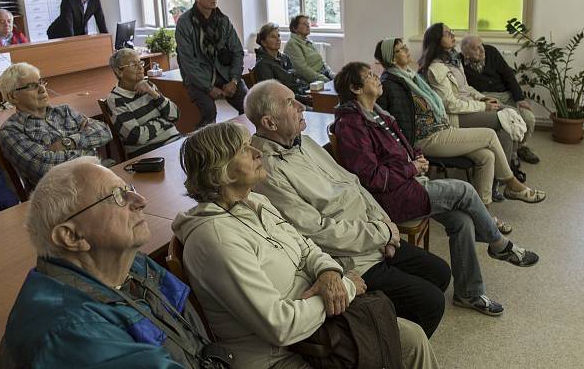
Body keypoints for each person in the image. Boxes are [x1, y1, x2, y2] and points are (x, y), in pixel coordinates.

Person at [173, 122, 438, 368]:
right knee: (402, 342)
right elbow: (280, 326)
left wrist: (329, 274)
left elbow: (307, 247)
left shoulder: (256, 202)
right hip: (280, 355)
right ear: (220, 171)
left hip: (315, 328)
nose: (257, 152)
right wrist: (346, 287)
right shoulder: (215, 239)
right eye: (244, 149)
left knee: (411, 337)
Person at [245, 80, 451, 338]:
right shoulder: (268, 170)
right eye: (290, 103)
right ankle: (389, 348)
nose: (301, 106)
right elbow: (314, 232)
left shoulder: (305, 142)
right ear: (270, 123)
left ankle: (388, 329)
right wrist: (381, 234)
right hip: (349, 258)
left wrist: (386, 227)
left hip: (373, 235)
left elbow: (354, 185)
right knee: (431, 302)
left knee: (440, 272)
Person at [333, 62, 540, 315]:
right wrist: (411, 168)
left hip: (409, 185)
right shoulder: (351, 124)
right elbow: (372, 177)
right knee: (464, 190)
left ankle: (469, 294)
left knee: (462, 221)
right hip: (389, 200)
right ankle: (499, 244)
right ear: (355, 88)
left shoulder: (378, 113)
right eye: (369, 76)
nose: (377, 78)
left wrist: (417, 158)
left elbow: (406, 147)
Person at [0, 157, 231, 368]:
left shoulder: (135, 266)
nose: (141, 200)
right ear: (72, 236)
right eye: (117, 196)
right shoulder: (73, 333)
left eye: (128, 189)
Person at [375, 38, 546, 212]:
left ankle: (483, 213)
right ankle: (511, 183)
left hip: (440, 128)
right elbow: (390, 125)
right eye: (400, 49)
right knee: (490, 134)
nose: (406, 49)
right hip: (425, 138)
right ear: (391, 58)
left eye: (404, 46)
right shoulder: (390, 83)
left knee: (487, 156)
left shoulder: (411, 76)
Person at [419, 23, 525, 188]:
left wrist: (483, 99)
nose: (453, 35)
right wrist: (483, 107)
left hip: (469, 107)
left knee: (507, 121)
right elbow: (451, 105)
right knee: (507, 117)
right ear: (437, 40)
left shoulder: (454, 60)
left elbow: (465, 88)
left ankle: (498, 178)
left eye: (452, 31)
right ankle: (505, 177)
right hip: (455, 117)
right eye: (448, 33)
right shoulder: (436, 68)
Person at [0, 63, 112, 190]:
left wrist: (68, 142)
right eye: (32, 86)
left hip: (96, 177)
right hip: (61, 193)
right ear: (13, 96)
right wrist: (89, 151)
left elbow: (104, 131)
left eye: (41, 82)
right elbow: (43, 167)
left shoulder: (64, 111)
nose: (42, 89)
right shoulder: (11, 130)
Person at [175, 0, 247, 126]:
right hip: (198, 78)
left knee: (249, 104)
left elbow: (237, 51)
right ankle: (205, 146)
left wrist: (233, 80)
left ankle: (245, 138)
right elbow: (187, 61)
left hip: (225, 74)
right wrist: (208, 87)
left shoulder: (223, 20)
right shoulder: (185, 22)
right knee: (209, 111)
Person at [460, 34, 539, 164]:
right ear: (466, 54)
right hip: (486, 98)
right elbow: (464, 88)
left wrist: (520, 99)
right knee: (510, 120)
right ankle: (511, 155)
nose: (481, 50)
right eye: (476, 48)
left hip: (506, 94)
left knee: (528, 118)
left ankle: (520, 147)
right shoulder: (460, 62)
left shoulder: (491, 51)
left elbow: (508, 75)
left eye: (481, 46)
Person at [107, 48, 181, 156]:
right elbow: (137, 137)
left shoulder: (148, 86)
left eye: (140, 62)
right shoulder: (115, 100)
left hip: (175, 142)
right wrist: (164, 121)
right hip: (150, 153)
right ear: (119, 72)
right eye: (133, 64)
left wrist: (154, 94)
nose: (141, 67)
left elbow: (176, 115)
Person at [253, 22, 312, 107]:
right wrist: (304, 98)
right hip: (283, 104)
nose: (278, 39)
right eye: (273, 37)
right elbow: (274, 93)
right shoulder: (262, 65)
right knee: (323, 109)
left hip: (297, 97)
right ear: (263, 42)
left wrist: (308, 91)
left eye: (278, 36)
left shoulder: (285, 57)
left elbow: (295, 79)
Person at [283, 15, 334, 84]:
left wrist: (331, 74)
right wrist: (327, 81)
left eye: (308, 24)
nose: (308, 26)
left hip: (323, 75)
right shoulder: (292, 44)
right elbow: (303, 70)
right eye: (304, 24)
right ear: (294, 28)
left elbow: (321, 61)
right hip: (313, 81)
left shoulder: (307, 40)